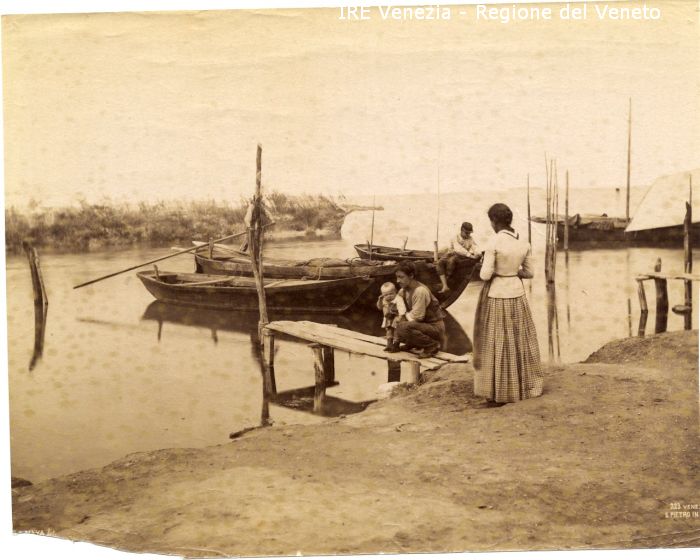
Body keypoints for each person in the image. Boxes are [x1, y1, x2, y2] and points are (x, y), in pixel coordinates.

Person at [473, 203, 544, 404]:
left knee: (497, 341)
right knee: (518, 340)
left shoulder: (493, 242)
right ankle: (519, 386)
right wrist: (513, 272)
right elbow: (529, 273)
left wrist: (496, 270)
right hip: (517, 293)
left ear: (494, 221)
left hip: (497, 294)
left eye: (491, 221)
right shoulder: (523, 243)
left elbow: (485, 275)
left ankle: (498, 390)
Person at [395, 261, 446, 358]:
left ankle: (432, 345)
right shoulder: (403, 291)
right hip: (424, 326)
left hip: (435, 327)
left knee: (402, 327)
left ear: (411, 276)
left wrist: (402, 317)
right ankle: (413, 343)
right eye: (397, 277)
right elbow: (396, 308)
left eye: (401, 277)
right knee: (399, 323)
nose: (397, 281)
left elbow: (418, 317)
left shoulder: (420, 291)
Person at [437, 222, 479, 293]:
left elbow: (475, 247)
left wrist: (477, 254)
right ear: (462, 230)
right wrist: (471, 256)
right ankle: (445, 285)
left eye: (469, 233)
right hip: (453, 254)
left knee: (451, 261)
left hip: (461, 256)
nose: (468, 235)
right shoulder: (455, 237)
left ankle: (448, 280)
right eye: (466, 233)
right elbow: (458, 249)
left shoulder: (470, 239)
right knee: (439, 263)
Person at [376, 282, 407, 352]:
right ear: (382, 294)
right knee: (389, 330)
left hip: (397, 317)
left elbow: (402, 309)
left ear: (395, 291)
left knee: (397, 331)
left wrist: (400, 317)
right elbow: (379, 307)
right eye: (386, 295)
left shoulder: (398, 299)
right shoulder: (384, 299)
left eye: (391, 294)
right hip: (388, 318)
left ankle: (396, 345)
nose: (389, 296)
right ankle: (389, 344)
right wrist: (379, 300)